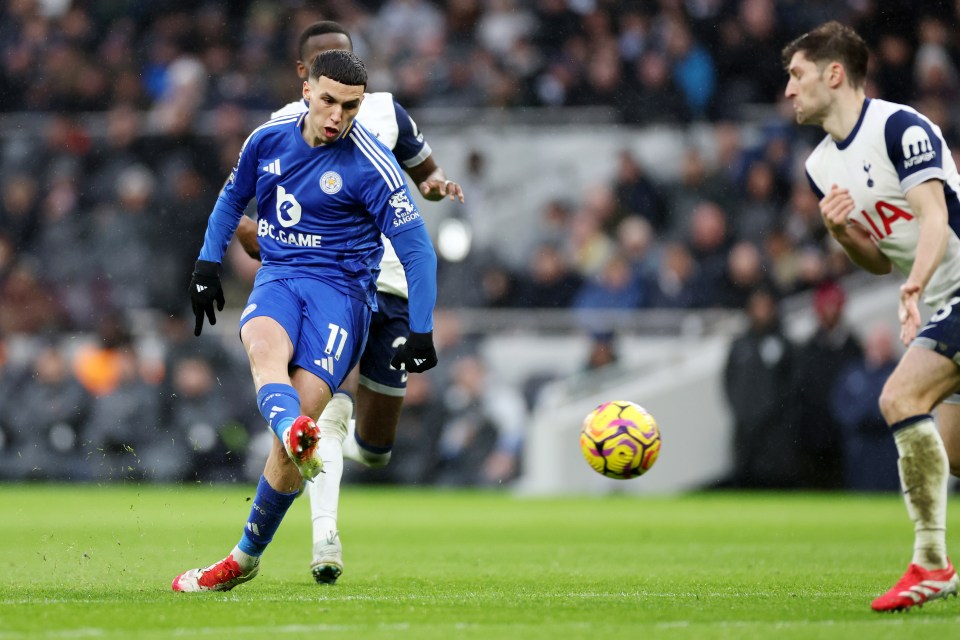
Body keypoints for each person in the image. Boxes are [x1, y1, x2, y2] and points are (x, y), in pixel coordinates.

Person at [171, 50, 438, 592]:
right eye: (328, 101)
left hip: (343, 297)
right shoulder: (267, 139)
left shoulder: (373, 167)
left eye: (351, 106)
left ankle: (244, 557)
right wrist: (205, 265)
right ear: (307, 91)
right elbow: (231, 199)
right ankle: (295, 436)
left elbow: (419, 253)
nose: (338, 116)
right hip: (280, 275)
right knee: (262, 345)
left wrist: (422, 328)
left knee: (301, 423)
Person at [233, 20, 463, 585]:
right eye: (328, 68)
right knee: (318, 411)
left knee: (377, 446)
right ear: (304, 77)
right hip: (338, 286)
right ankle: (324, 538)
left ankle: (340, 450)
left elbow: (425, 168)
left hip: (396, 285)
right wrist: (279, 249)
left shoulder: (386, 113)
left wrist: (435, 184)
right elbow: (246, 219)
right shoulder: (278, 131)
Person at [783, 20, 960, 612]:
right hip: (936, 299)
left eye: (797, 74)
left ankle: (931, 565)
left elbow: (933, 217)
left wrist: (915, 286)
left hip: (952, 291)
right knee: (953, 452)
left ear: (835, 74)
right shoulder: (819, 167)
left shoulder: (899, 126)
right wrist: (840, 233)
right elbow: (877, 262)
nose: (788, 89)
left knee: (898, 400)